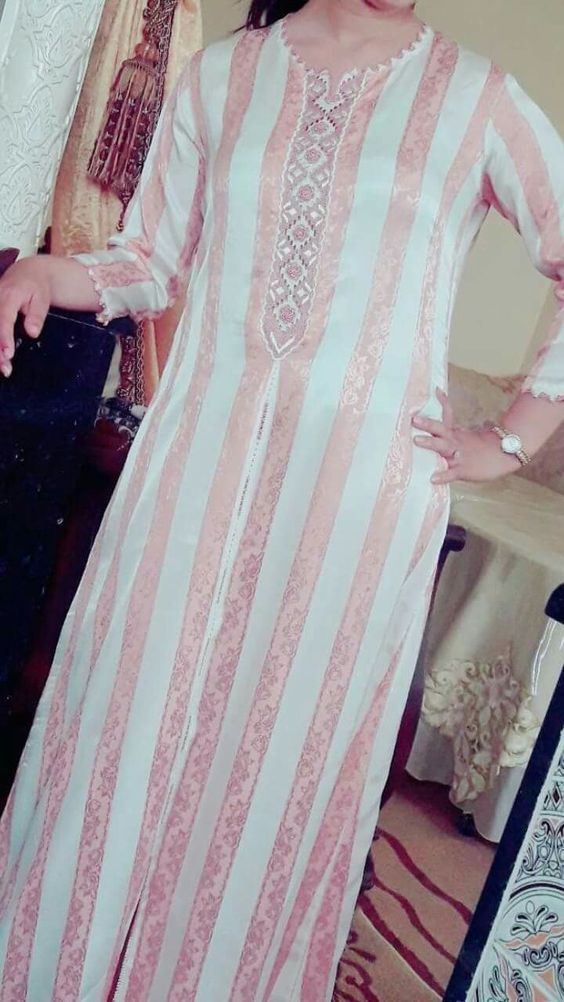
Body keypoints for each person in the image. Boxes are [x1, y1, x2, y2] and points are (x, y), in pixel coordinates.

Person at [1, 0, 563, 998]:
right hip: (195, 469)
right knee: (130, 713)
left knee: (277, 761)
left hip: (357, 500)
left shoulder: (480, 102)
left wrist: (513, 437)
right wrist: (53, 271)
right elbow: (150, 261)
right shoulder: (224, 77)